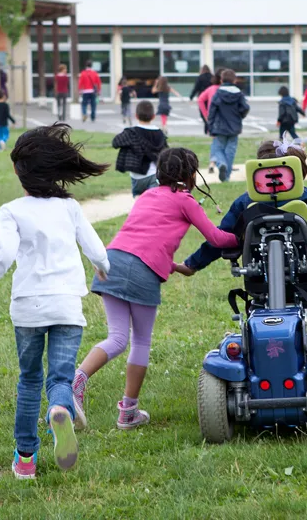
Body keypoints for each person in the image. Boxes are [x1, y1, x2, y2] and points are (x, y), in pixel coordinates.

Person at [0, 124, 111, 480]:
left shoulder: (12, 210)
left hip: (27, 307)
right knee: (60, 376)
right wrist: (102, 268)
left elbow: (5, 254)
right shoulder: (69, 208)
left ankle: (25, 460)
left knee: (29, 380)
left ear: (19, 172)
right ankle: (60, 410)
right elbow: (98, 250)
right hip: (67, 306)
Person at [71, 148, 238, 431]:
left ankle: (76, 381)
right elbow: (217, 238)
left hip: (111, 263)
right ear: (190, 175)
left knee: (116, 338)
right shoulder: (186, 201)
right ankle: (128, 412)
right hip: (141, 275)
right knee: (140, 342)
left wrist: (175, 266)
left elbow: (141, 240)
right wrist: (247, 231)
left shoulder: (147, 195)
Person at [182, 140, 307, 274]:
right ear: (298, 173)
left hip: (258, 272)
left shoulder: (245, 202)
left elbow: (222, 237)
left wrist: (192, 264)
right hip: (304, 271)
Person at [112, 100, 168, 198]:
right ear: (153, 116)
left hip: (136, 176)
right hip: (154, 174)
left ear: (136, 116)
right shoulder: (160, 134)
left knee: (139, 203)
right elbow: (166, 153)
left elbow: (115, 142)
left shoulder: (131, 133)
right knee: (153, 203)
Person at [207, 69, 250, 183]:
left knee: (217, 149)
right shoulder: (239, 94)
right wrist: (239, 115)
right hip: (234, 127)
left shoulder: (218, 93)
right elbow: (245, 107)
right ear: (234, 80)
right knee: (230, 151)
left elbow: (212, 111)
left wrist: (210, 126)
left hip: (219, 126)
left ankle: (221, 164)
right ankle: (226, 176)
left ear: (221, 80)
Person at [197, 71, 221, 138]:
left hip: (213, 117)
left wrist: (205, 115)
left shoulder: (211, 88)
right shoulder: (228, 89)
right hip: (226, 120)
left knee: (216, 142)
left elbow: (200, 100)